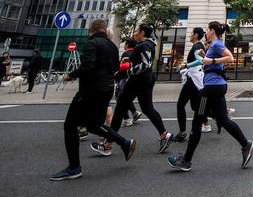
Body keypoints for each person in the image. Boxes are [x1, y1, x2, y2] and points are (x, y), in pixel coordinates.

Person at [48, 19, 136, 181]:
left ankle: (74, 167)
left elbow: (87, 66)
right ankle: (124, 142)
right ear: (104, 30)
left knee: (70, 125)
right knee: (93, 124)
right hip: (108, 88)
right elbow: (115, 67)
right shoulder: (112, 46)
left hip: (91, 89)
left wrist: (71, 75)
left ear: (91, 30)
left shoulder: (92, 43)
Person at [168, 21, 253, 171]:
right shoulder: (212, 46)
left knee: (197, 121)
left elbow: (230, 58)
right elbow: (209, 63)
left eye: (207, 30)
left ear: (213, 31)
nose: (206, 33)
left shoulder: (217, 45)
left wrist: (211, 60)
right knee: (223, 119)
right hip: (217, 86)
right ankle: (245, 144)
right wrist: (204, 57)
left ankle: (186, 160)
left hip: (210, 89)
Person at [95, 23, 173, 156]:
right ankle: (164, 134)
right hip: (145, 79)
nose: (134, 33)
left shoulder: (144, 45)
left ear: (142, 33)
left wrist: (128, 72)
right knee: (147, 108)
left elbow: (145, 64)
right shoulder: (148, 45)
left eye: (136, 30)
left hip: (138, 80)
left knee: (120, 109)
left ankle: (108, 144)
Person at [173, 28, 206, 142]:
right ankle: (218, 118)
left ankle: (182, 133)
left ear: (195, 35)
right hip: (197, 78)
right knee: (197, 105)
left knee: (180, 105)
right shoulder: (199, 45)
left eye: (191, 33)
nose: (189, 35)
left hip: (193, 78)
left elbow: (200, 61)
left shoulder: (197, 46)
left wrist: (185, 66)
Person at [116, 38, 142, 128]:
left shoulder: (126, 53)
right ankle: (134, 113)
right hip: (134, 79)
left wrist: (118, 68)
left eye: (125, 44)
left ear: (127, 45)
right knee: (126, 97)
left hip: (124, 78)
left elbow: (124, 66)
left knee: (120, 99)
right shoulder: (137, 53)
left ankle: (127, 119)